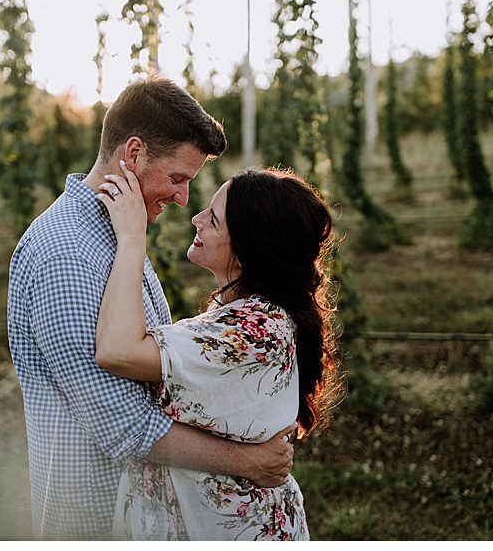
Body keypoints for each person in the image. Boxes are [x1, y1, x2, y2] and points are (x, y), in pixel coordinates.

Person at [4, 76, 295, 540]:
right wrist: (249, 461)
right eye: (178, 178)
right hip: (94, 518)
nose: (183, 199)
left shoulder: (118, 232)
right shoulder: (67, 256)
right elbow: (126, 426)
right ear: (133, 153)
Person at [92, 166, 339, 540]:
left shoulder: (253, 330)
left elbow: (117, 351)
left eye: (214, 219)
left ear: (246, 249)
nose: (196, 218)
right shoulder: (252, 316)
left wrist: (131, 238)